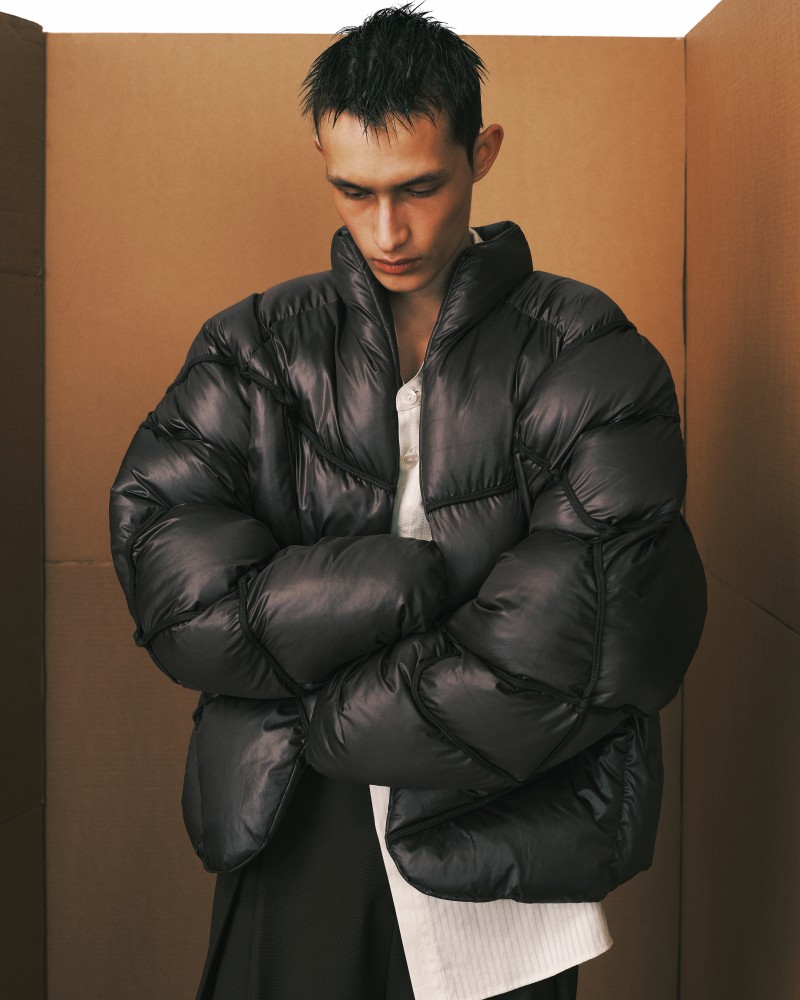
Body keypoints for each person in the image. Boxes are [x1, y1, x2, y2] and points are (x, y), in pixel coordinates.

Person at [109, 5, 707, 999]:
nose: (387, 230)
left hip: (502, 834)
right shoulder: (252, 348)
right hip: (294, 816)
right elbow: (171, 579)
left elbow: (601, 628)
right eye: (355, 191)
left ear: (483, 152)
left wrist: (331, 692)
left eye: (420, 188)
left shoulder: (585, 347)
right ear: (322, 158)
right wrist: (386, 589)